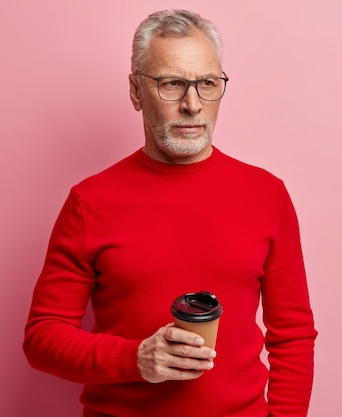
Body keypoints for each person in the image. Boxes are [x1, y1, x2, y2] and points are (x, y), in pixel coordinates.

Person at [23, 9, 317, 417]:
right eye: (172, 83)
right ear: (135, 91)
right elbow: (43, 337)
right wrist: (135, 359)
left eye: (207, 84)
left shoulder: (267, 194)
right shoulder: (89, 201)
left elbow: (294, 335)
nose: (193, 105)